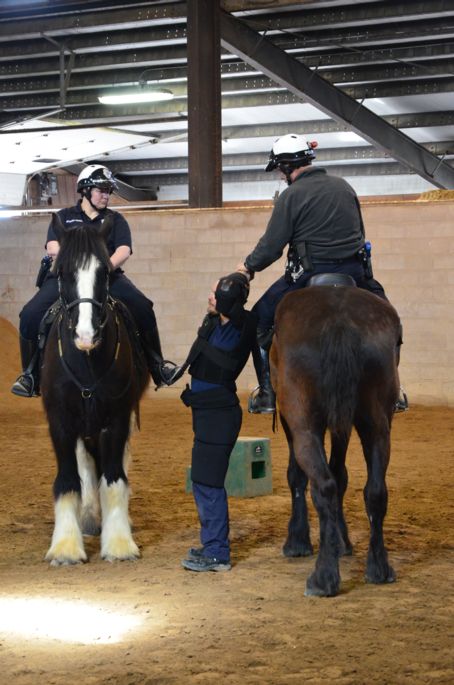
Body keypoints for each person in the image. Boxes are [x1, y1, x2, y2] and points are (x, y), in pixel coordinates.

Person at [235, 133, 408, 414]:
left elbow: (272, 246)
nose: (280, 175)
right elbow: (359, 232)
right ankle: (393, 391)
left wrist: (248, 266)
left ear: (288, 166)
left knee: (258, 321)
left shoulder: (291, 196)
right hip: (355, 273)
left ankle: (267, 392)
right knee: (391, 320)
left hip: (307, 274)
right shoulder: (344, 187)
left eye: (280, 170)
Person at [11, 164, 175, 397]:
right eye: (101, 190)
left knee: (143, 306)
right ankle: (29, 375)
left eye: (108, 191)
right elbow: (52, 246)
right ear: (86, 191)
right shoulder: (64, 217)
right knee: (29, 315)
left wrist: (102, 266)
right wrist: (77, 261)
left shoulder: (115, 220)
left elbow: (124, 250)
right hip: (66, 278)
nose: (106, 195)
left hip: (106, 277)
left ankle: (158, 365)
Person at [168, 273, 257, 572]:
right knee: (204, 481)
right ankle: (213, 546)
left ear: (228, 303)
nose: (209, 298)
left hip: (219, 415)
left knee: (207, 482)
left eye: (215, 295)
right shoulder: (213, 323)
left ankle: (217, 552)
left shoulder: (242, 327)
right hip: (207, 413)